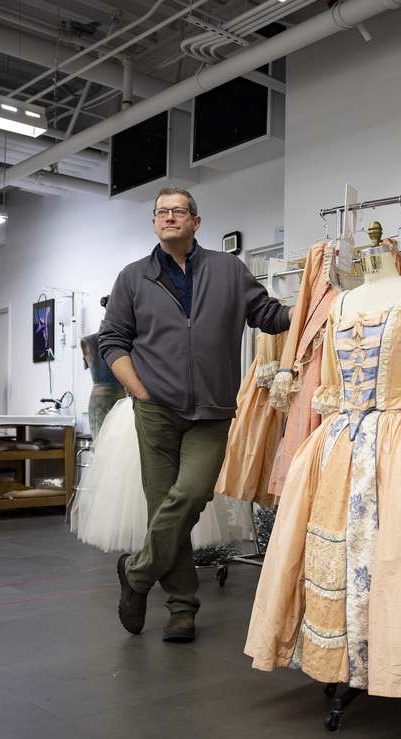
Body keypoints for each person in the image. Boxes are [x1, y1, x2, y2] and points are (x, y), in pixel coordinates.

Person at [99, 187, 291, 643]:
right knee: (161, 507)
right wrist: (139, 390)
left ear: (196, 222)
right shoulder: (133, 278)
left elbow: (268, 314)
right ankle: (182, 608)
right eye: (161, 212)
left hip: (213, 409)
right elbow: (113, 342)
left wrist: (317, 306)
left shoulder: (228, 269)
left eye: (178, 211)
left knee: (189, 496)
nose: (169, 217)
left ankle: (138, 572)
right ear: (153, 222)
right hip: (156, 411)